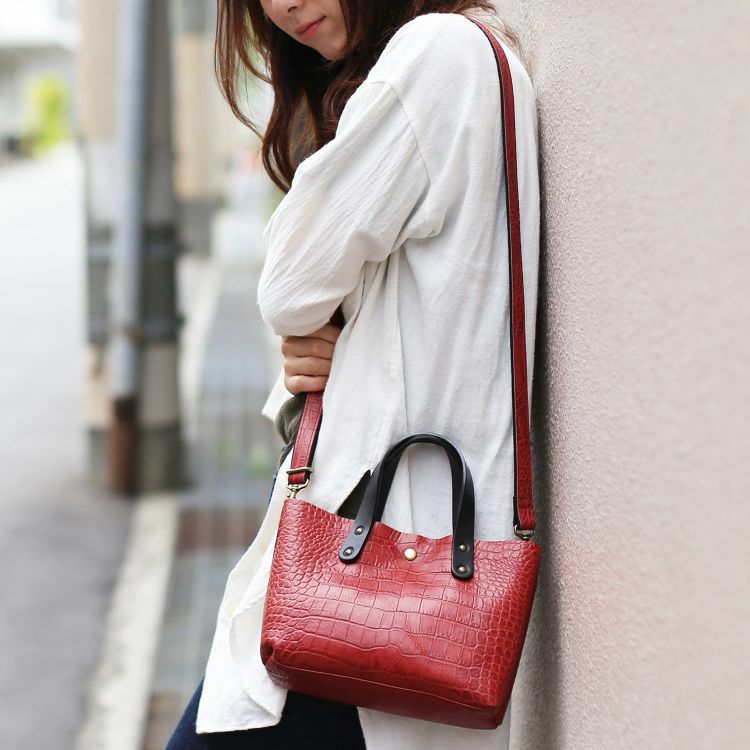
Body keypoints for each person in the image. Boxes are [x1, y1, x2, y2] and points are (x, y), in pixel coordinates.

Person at [165, 0, 540, 748]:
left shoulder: (434, 55)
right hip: (387, 556)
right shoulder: (466, 58)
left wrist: (317, 319)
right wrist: (324, 340)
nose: (282, 5)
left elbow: (289, 285)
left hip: (375, 566)